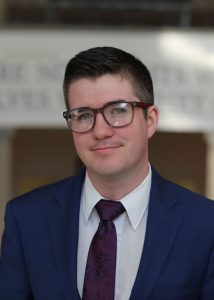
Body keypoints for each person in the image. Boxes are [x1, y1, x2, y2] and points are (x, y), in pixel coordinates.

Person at [0, 46, 214, 300]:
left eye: (119, 110)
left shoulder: (205, 225)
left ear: (150, 120)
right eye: (83, 115)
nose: (100, 131)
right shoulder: (26, 219)